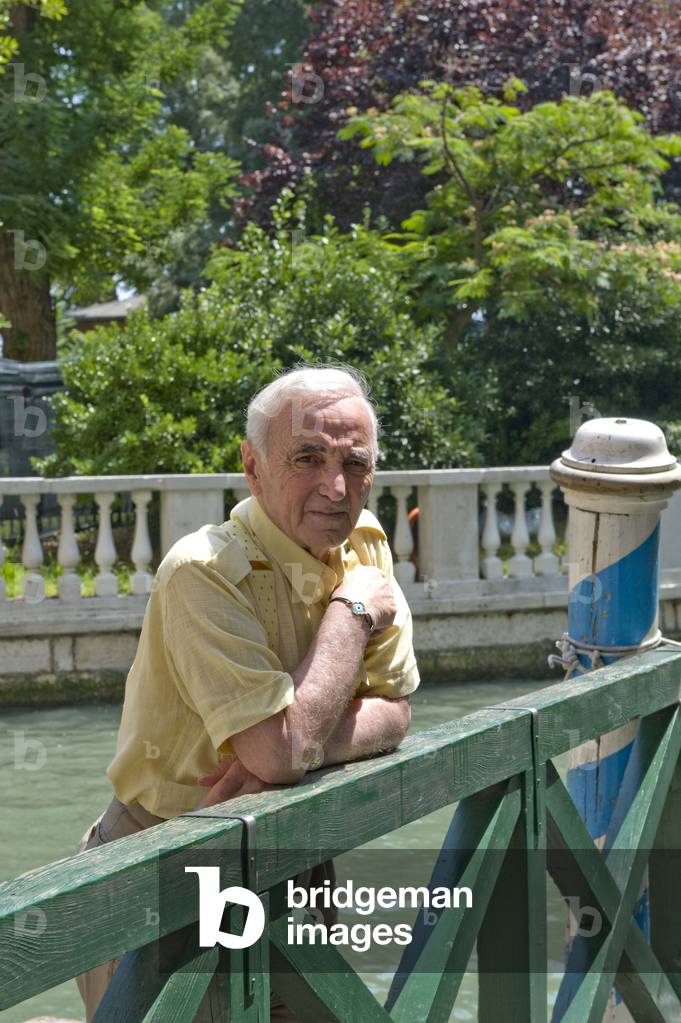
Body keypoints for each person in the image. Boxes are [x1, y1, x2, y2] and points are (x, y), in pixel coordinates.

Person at [76, 364, 420, 1021]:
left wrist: (294, 751)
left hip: (289, 859)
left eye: (355, 461)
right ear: (252, 465)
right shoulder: (202, 574)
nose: (335, 485)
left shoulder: (364, 544)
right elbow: (281, 747)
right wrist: (350, 612)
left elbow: (395, 711)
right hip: (163, 864)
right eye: (308, 457)